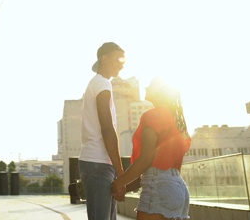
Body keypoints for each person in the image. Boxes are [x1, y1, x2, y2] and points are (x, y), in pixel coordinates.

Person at [112, 77, 192, 220]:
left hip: (158, 187)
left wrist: (118, 183)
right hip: (179, 188)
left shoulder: (153, 116)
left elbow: (146, 160)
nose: (146, 88)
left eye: (150, 86)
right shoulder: (176, 121)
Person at [79, 42, 126, 220]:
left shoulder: (98, 83)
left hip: (99, 164)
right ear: (104, 59)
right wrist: (121, 174)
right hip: (98, 164)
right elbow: (107, 129)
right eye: (119, 58)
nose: (123, 64)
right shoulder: (102, 84)